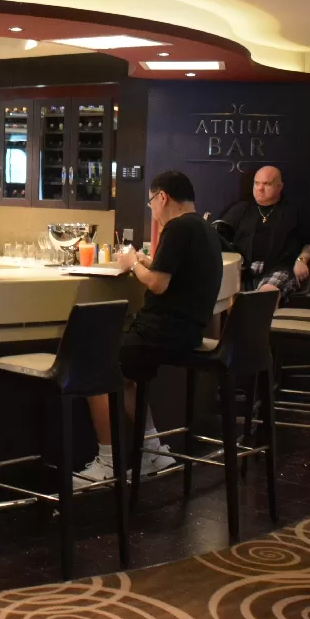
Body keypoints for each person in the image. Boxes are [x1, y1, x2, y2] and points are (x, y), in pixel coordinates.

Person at [74, 170, 224, 486]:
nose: (152, 209)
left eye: (151, 201)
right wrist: (144, 263)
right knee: (126, 372)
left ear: (162, 197)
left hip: (162, 333)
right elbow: (173, 274)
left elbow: (158, 283)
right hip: (186, 332)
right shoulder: (204, 228)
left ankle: (108, 463)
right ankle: (153, 452)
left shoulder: (178, 227)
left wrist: (131, 264)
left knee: (93, 364)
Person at [216, 165, 310, 296]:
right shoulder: (240, 209)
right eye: (257, 183)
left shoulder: (293, 212)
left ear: (279, 186)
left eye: (266, 184)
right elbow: (219, 235)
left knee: (264, 295)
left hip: (280, 268)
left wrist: (302, 260)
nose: (260, 189)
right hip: (244, 269)